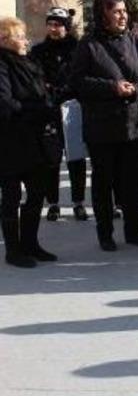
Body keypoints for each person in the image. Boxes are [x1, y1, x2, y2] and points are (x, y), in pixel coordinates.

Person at [70, 0, 138, 252]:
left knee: (131, 181)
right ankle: (105, 233)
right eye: (116, 11)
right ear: (103, 15)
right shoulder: (88, 45)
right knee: (104, 182)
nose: (123, 16)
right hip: (102, 127)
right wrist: (112, 88)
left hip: (134, 124)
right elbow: (77, 82)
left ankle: (133, 231)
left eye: (124, 11)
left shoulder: (135, 40)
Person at [0, 17, 62, 267]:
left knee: (37, 193)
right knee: (11, 197)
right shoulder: (2, 64)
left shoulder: (29, 63)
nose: (25, 40)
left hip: (35, 140)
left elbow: (42, 92)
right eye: (19, 36)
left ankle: (31, 243)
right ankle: (13, 251)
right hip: (9, 141)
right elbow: (4, 102)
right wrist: (36, 110)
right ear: (5, 40)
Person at [30, 7, 88, 222]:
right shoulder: (38, 52)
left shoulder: (79, 49)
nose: (54, 29)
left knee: (76, 158)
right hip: (49, 109)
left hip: (73, 108)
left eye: (59, 25)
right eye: (51, 24)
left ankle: (78, 202)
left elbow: (81, 76)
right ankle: (53, 203)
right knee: (51, 160)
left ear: (67, 27)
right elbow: (34, 77)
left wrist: (67, 90)